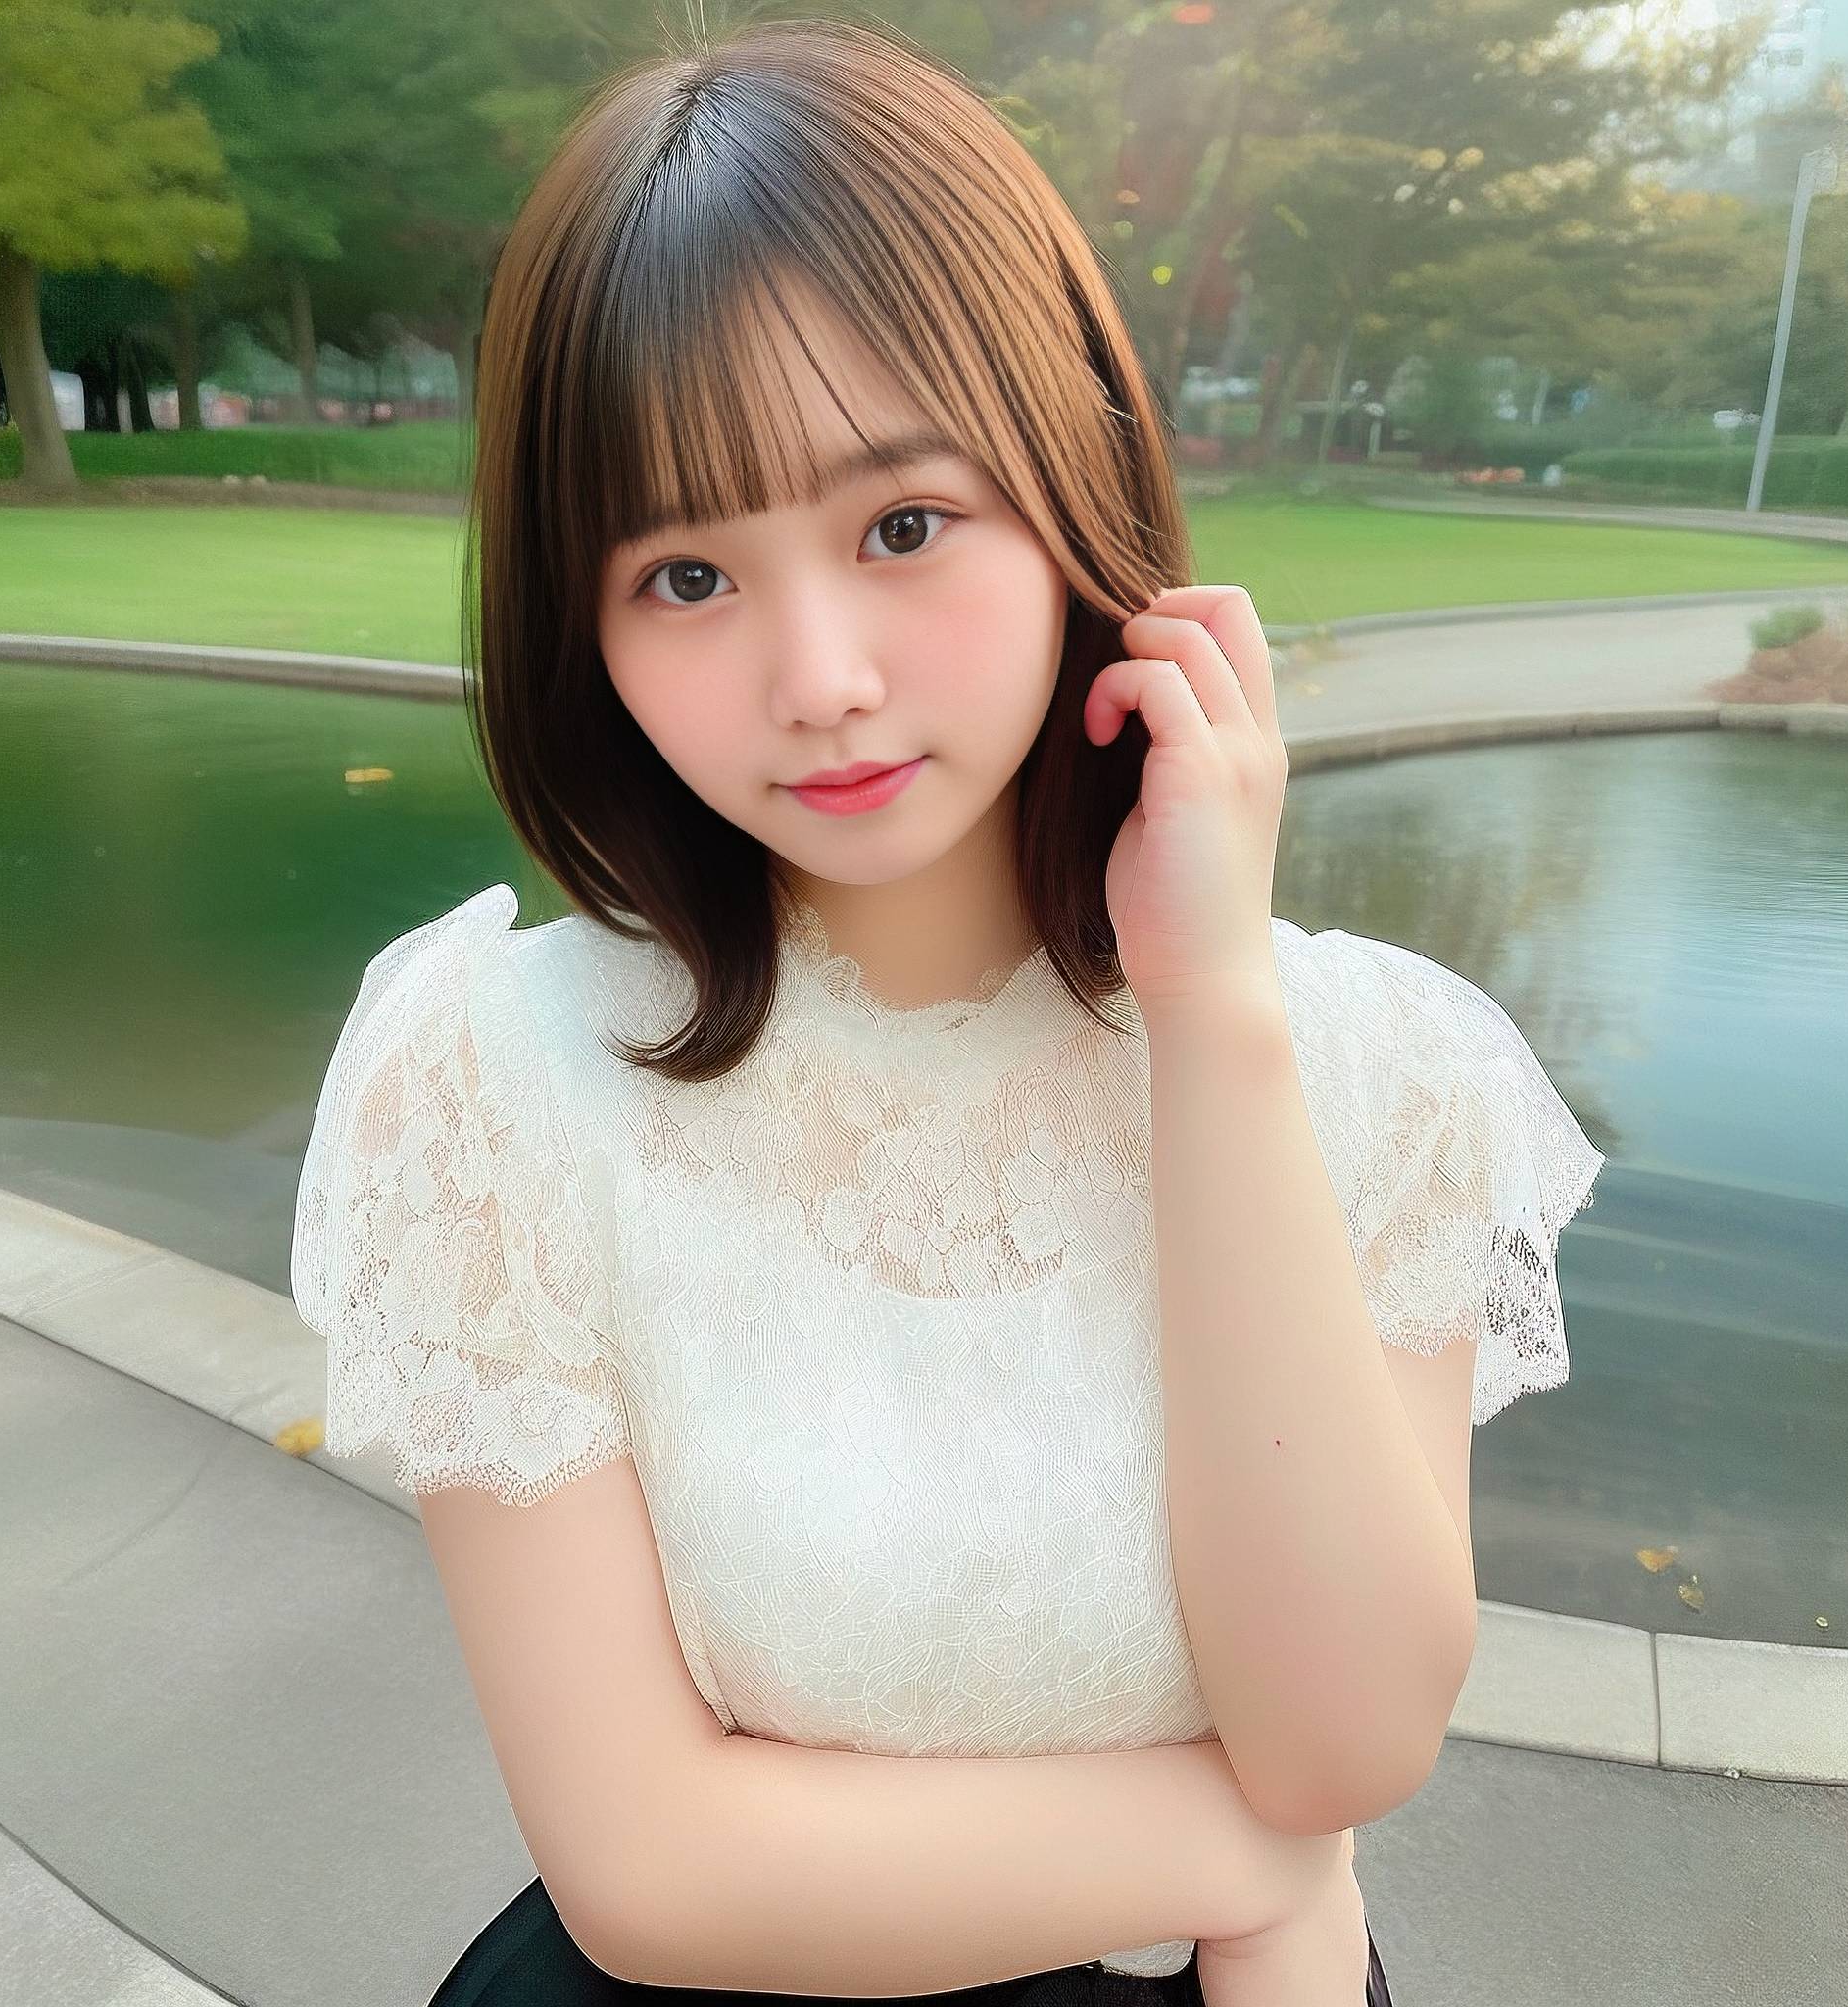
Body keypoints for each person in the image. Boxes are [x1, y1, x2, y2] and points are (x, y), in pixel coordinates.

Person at [288, 18, 1604, 2007]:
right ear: (582, 612)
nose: (816, 674)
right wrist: (1250, 1862)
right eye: (684, 575)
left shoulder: (1373, 1070)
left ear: (1067, 476)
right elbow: (646, 1862)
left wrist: (1212, 1004)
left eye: (901, 525)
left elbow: (1346, 1734)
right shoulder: (492, 1086)